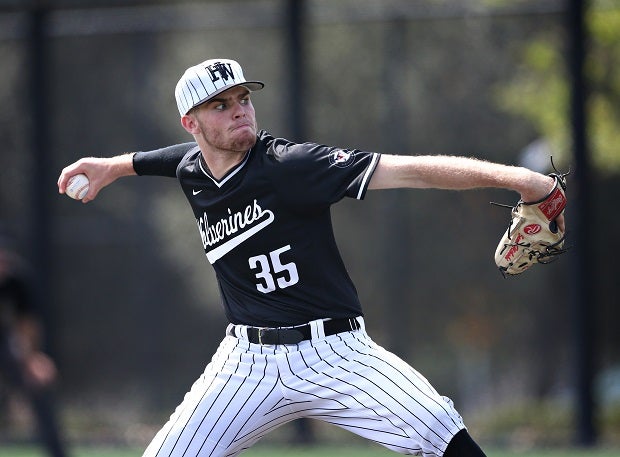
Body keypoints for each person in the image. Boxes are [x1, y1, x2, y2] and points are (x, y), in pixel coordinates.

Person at [57, 58, 565, 457]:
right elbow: (162, 159)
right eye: (220, 105)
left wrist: (522, 180)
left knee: (437, 426)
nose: (239, 110)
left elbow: (412, 170)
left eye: (242, 98)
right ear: (190, 122)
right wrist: (110, 166)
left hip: (335, 352)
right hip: (245, 363)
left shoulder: (292, 165)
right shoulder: (192, 167)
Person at [0, 232, 68, 457]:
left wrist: (32, 359)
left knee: (39, 386)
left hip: (6, 343)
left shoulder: (16, 280)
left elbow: (26, 324)